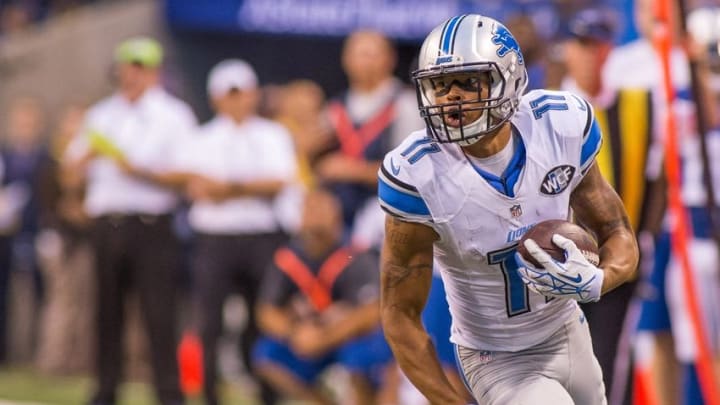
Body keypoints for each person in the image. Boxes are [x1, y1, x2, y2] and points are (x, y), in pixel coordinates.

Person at [378, 14, 639, 405]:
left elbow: (617, 233)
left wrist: (598, 280)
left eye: (468, 82)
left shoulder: (559, 124)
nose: (451, 97)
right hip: (496, 357)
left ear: (509, 78)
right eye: (439, 85)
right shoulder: (417, 175)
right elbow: (399, 315)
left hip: (568, 330)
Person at [64, 36, 197, 405]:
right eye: (126, 67)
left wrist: (137, 169)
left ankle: (168, 394)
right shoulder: (101, 114)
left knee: (159, 312)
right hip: (107, 224)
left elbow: (186, 175)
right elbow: (70, 175)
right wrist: (80, 162)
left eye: (139, 68)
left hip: (151, 224)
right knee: (106, 313)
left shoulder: (174, 115)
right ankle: (105, 390)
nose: (131, 75)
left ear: (154, 72)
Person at [176, 59, 297, 405]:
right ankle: (209, 395)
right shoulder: (202, 137)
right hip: (214, 240)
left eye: (243, 92)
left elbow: (277, 183)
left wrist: (226, 187)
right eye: (231, 94)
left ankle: (267, 394)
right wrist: (249, 185)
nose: (238, 100)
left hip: (262, 237)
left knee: (263, 318)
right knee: (209, 321)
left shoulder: (273, 134)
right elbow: (197, 189)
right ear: (216, 98)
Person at [560, 8, 666, 402]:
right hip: (557, 262)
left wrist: (646, 239)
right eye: (581, 45)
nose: (590, 55)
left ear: (610, 51)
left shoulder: (641, 105)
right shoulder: (549, 110)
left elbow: (659, 179)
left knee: (607, 366)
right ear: (567, 50)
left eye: (597, 46)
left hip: (616, 263)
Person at [253, 188, 394, 405]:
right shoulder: (288, 258)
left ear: (336, 215)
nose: (313, 216)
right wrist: (294, 332)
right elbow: (266, 311)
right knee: (266, 354)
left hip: (346, 338)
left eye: (320, 209)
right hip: (307, 335)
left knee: (363, 355)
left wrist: (327, 337)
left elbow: (373, 312)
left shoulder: (355, 255)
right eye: (308, 209)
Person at [315, 29, 423, 234]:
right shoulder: (335, 108)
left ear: (390, 59)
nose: (365, 62)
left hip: (383, 205)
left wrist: (353, 170)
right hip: (339, 206)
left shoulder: (403, 104)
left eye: (372, 55)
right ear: (346, 59)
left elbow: (411, 173)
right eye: (359, 54)